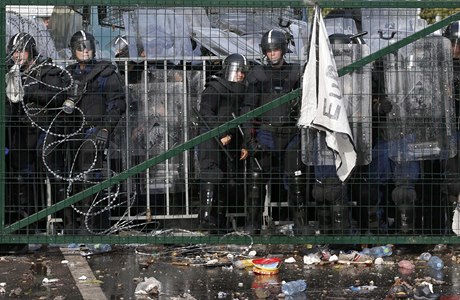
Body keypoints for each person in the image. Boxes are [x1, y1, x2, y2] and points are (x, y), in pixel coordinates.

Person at [239, 29, 303, 234]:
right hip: (265, 132)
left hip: (291, 132)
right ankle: (252, 226)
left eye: (275, 49)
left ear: (283, 49)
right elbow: (248, 107)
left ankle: (301, 226)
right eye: (268, 50)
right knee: (256, 181)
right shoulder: (257, 74)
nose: (272, 54)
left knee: (296, 182)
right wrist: (249, 138)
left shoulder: (296, 72)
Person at [5, 32, 71, 226]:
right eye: (14, 52)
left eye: (21, 51)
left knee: (53, 174)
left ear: (31, 51)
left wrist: (30, 92)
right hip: (23, 131)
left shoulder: (47, 70)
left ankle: (63, 221)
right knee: (27, 177)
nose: (17, 56)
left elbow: (58, 96)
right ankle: (36, 222)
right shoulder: (11, 74)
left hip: (46, 127)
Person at [65, 30, 126, 234]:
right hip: (71, 133)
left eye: (88, 46)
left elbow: (116, 103)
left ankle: (91, 225)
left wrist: (106, 128)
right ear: (73, 50)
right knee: (70, 177)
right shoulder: (68, 74)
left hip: (95, 130)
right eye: (80, 47)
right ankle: (71, 224)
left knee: (91, 177)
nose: (85, 51)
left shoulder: (105, 72)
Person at [197, 53, 249, 232]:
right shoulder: (215, 88)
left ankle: (219, 221)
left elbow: (240, 119)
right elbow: (206, 113)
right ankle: (207, 220)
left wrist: (243, 143)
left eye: (243, 72)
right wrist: (219, 134)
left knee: (226, 178)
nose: (240, 75)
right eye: (237, 71)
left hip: (230, 140)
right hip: (211, 137)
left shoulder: (240, 91)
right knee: (212, 174)